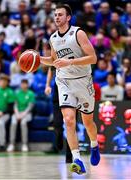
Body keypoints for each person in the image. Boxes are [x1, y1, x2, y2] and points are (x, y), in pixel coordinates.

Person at [39, 4, 100, 174]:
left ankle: (94, 145)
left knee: (88, 122)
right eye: (55, 15)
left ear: (68, 18)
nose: (57, 17)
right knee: (69, 120)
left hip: (83, 81)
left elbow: (93, 58)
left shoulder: (78, 33)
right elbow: (54, 60)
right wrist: (38, 59)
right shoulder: (53, 38)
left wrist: (70, 62)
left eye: (60, 15)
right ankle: (77, 160)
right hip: (64, 81)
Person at [45, 67, 72, 163]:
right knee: (57, 123)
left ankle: (70, 155)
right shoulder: (57, 53)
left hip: (71, 88)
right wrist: (47, 85)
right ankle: (59, 138)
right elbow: (51, 68)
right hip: (58, 89)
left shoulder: (75, 54)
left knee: (70, 125)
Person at [7, 79, 35, 152]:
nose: (23, 85)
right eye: (22, 84)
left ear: (27, 85)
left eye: (25, 84)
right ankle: (11, 144)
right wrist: (17, 114)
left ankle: (24, 144)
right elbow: (15, 105)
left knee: (23, 123)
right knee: (13, 122)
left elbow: (30, 107)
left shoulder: (30, 93)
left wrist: (22, 115)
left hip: (27, 114)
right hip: (17, 113)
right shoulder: (17, 93)